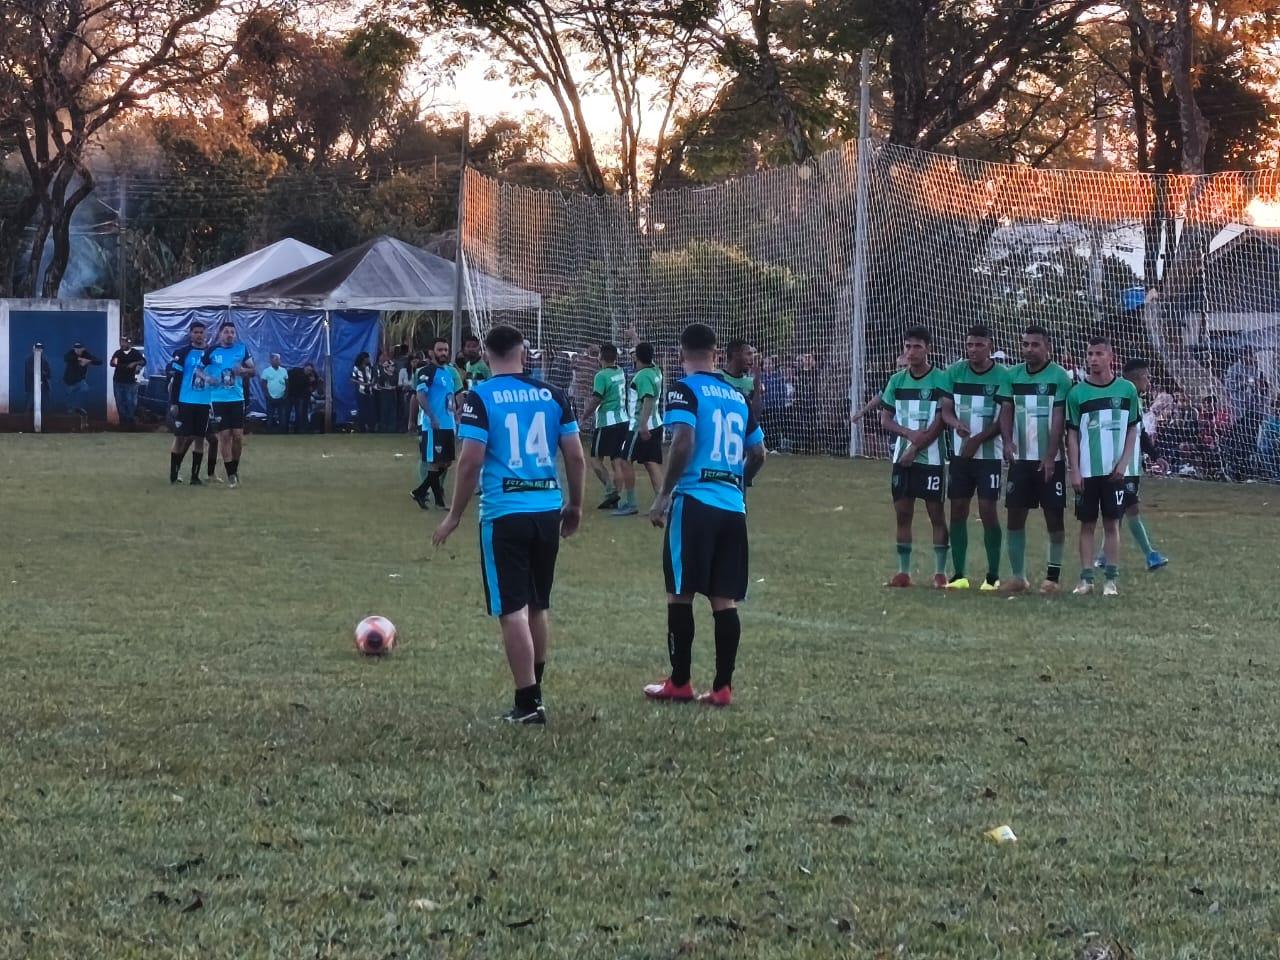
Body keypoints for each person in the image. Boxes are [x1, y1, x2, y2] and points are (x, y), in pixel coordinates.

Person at [431, 324, 586, 725]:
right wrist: (576, 506)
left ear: (485, 354)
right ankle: (536, 694)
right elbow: (575, 457)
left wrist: (455, 515)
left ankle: (527, 702)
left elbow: (470, 461)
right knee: (538, 603)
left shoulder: (481, 396)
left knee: (511, 608)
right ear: (525, 352)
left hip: (504, 513)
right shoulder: (553, 395)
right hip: (546, 511)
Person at [643, 322, 767, 707]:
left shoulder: (684, 388)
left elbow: (683, 441)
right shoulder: (735, 395)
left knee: (680, 593)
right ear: (716, 354)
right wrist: (736, 483)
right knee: (723, 599)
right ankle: (722, 687)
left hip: (695, 503)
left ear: (681, 355)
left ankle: (679, 682)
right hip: (732, 507)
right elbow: (759, 453)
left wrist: (664, 494)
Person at [1002, 325, 1075, 594]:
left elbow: (1059, 419)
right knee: (1014, 517)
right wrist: (1008, 441)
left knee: (1054, 518)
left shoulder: (1060, 377)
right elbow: (1006, 409)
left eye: (1035, 344)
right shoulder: (1012, 375)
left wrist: (1049, 456)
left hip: (1049, 461)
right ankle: (1019, 577)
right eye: (1025, 344)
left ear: (1048, 347)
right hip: (1021, 460)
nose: (1029, 349)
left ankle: (1052, 578)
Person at [939, 324, 1011, 590]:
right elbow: (946, 410)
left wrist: (978, 439)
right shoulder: (955, 372)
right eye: (969, 344)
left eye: (979, 345)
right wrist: (956, 424)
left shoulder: (1002, 375)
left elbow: (1003, 418)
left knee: (988, 511)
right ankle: (959, 574)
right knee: (957, 510)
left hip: (988, 457)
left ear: (990, 345)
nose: (973, 350)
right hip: (959, 456)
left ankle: (992, 576)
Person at [1067, 337, 1140, 596]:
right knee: (1086, 524)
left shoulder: (1127, 390)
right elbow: (1073, 435)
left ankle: (1110, 579)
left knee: (1112, 524)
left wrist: (1123, 463)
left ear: (1111, 357)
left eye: (1099, 353)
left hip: (1114, 473)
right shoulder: (1077, 393)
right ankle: (1086, 579)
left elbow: (1133, 429)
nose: (1093, 359)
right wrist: (1074, 469)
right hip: (1087, 472)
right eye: (1089, 354)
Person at [879, 327, 950, 588]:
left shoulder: (941, 379)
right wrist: (908, 434)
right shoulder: (897, 380)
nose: (911, 352)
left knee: (936, 514)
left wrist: (916, 447)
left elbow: (942, 420)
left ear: (928, 348)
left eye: (917, 347)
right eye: (907, 346)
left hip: (931, 459)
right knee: (903, 513)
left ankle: (940, 572)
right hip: (902, 459)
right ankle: (903, 572)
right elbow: (885, 419)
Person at [1094, 358, 1169, 572]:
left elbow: (1140, 433)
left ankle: (1102, 557)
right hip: (1121, 467)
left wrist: (1155, 455)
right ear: (1136, 377)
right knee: (1131, 509)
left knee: (1117, 512)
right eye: (1147, 376)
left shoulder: (1133, 397)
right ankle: (1150, 555)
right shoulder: (1122, 396)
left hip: (1130, 467)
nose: (1150, 380)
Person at [410, 337, 464, 510]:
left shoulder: (448, 373)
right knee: (434, 462)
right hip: (435, 425)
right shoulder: (427, 371)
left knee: (446, 462)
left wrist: (455, 415)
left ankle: (420, 491)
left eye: (446, 350)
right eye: (440, 350)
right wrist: (431, 417)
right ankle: (439, 502)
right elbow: (420, 394)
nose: (443, 353)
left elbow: (449, 399)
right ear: (432, 352)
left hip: (448, 424)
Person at [201, 320, 254, 488]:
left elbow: (253, 370)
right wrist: (207, 378)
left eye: (232, 332)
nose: (229, 334)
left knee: (237, 436)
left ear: (235, 335)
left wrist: (244, 371)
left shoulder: (241, 349)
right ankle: (231, 474)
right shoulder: (212, 351)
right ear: (220, 334)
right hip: (218, 399)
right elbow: (198, 369)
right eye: (226, 332)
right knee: (224, 436)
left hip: (237, 399)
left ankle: (234, 468)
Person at [584, 343, 634, 513]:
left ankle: (611, 491)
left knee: (595, 459)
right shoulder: (620, 371)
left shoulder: (601, 375)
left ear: (600, 357)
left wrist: (584, 416)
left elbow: (597, 398)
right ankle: (615, 499)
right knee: (616, 461)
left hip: (607, 422)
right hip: (623, 420)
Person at [167, 322, 212, 485]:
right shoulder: (182, 353)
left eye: (201, 332)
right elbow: (176, 379)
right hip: (185, 401)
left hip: (204, 402)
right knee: (180, 437)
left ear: (205, 334)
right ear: (190, 334)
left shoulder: (211, 353)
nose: (199, 335)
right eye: (196, 332)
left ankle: (195, 476)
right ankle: (174, 473)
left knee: (199, 438)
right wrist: (174, 402)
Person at [626, 342, 665, 510]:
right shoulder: (655, 369)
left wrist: (642, 425)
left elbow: (648, 399)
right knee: (651, 462)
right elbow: (644, 350)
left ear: (636, 357)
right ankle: (664, 501)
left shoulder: (642, 376)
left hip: (641, 425)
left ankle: (631, 503)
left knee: (623, 460)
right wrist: (635, 337)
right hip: (656, 422)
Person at [721, 339, 763, 424]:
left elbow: (756, 416)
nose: (752, 359)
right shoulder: (717, 377)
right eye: (748, 354)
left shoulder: (751, 383)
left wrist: (757, 384)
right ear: (736, 355)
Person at [110, 335, 144, 429]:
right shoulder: (118, 353)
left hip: (130, 382)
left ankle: (131, 422)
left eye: (125, 342)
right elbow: (113, 363)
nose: (123, 343)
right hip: (118, 381)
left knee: (130, 402)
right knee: (120, 402)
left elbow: (143, 361)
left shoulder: (135, 353)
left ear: (129, 343)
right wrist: (121, 364)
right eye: (122, 342)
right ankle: (123, 423)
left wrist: (134, 363)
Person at [63, 341, 102, 419]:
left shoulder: (86, 354)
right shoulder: (71, 353)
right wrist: (80, 359)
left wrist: (88, 361)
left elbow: (99, 361)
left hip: (80, 379)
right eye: (76, 348)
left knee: (84, 390)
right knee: (70, 395)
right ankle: (71, 410)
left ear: (83, 348)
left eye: (79, 348)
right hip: (69, 380)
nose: (77, 350)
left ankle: (77, 408)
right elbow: (66, 358)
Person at [261, 354, 289, 433]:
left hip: (282, 398)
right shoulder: (266, 371)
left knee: (282, 417)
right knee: (270, 417)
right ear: (271, 361)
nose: (278, 361)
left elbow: (287, 384)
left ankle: (282, 433)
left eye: (279, 359)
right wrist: (268, 396)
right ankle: (269, 433)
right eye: (276, 359)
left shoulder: (284, 370)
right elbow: (263, 384)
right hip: (270, 398)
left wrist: (285, 395)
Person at [351, 352, 376, 432]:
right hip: (361, 391)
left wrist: (373, 382)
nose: (368, 359)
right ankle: (362, 427)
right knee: (362, 410)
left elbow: (373, 375)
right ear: (363, 359)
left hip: (370, 391)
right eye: (367, 358)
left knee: (370, 410)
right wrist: (362, 383)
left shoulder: (370, 367)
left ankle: (371, 427)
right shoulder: (356, 368)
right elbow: (352, 378)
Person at [374, 351, 398, 432]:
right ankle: (383, 428)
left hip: (393, 395)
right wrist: (386, 388)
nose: (393, 368)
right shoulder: (383, 376)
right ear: (387, 367)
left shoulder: (395, 376)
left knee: (392, 411)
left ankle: (392, 428)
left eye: (393, 366)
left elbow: (397, 385)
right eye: (391, 366)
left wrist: (393, 387)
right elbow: (378, 385)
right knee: (384, 411)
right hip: (384, 395)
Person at [23, 346, 51, 414]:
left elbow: (48, 373)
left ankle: (47, 418)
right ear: (33, 350)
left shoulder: (44, 360)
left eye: (40, 349)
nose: (39, 351)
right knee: (30, 402)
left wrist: (45, 375)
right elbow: (30, 372)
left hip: (43, 384)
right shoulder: (29, 359)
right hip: (32, 385)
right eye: (37, 349)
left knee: (45, 403)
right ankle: (26, 418)